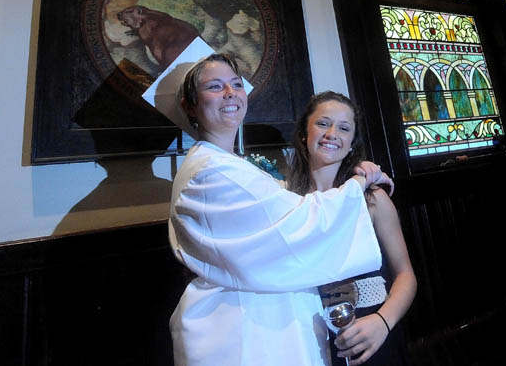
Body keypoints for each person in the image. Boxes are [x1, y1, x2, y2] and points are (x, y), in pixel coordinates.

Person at [164, 52, 393, 366]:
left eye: (236, 84)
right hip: (242, 326)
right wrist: (358, 181)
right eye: (215, 87)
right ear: (190, 105)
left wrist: (361, 175)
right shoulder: (211, 172)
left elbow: (284, 207)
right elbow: (301, 223)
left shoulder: (233, 167)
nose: (230, 93)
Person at [287, 91, 417, 366]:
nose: (332, 133)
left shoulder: (373, 199)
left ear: (350, 145)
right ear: (303, 134)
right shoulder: (289, 203)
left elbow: (406, 275)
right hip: (308, 336)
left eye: (344, 128)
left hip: (370, 334)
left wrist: (382, 322)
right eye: (323, 124)